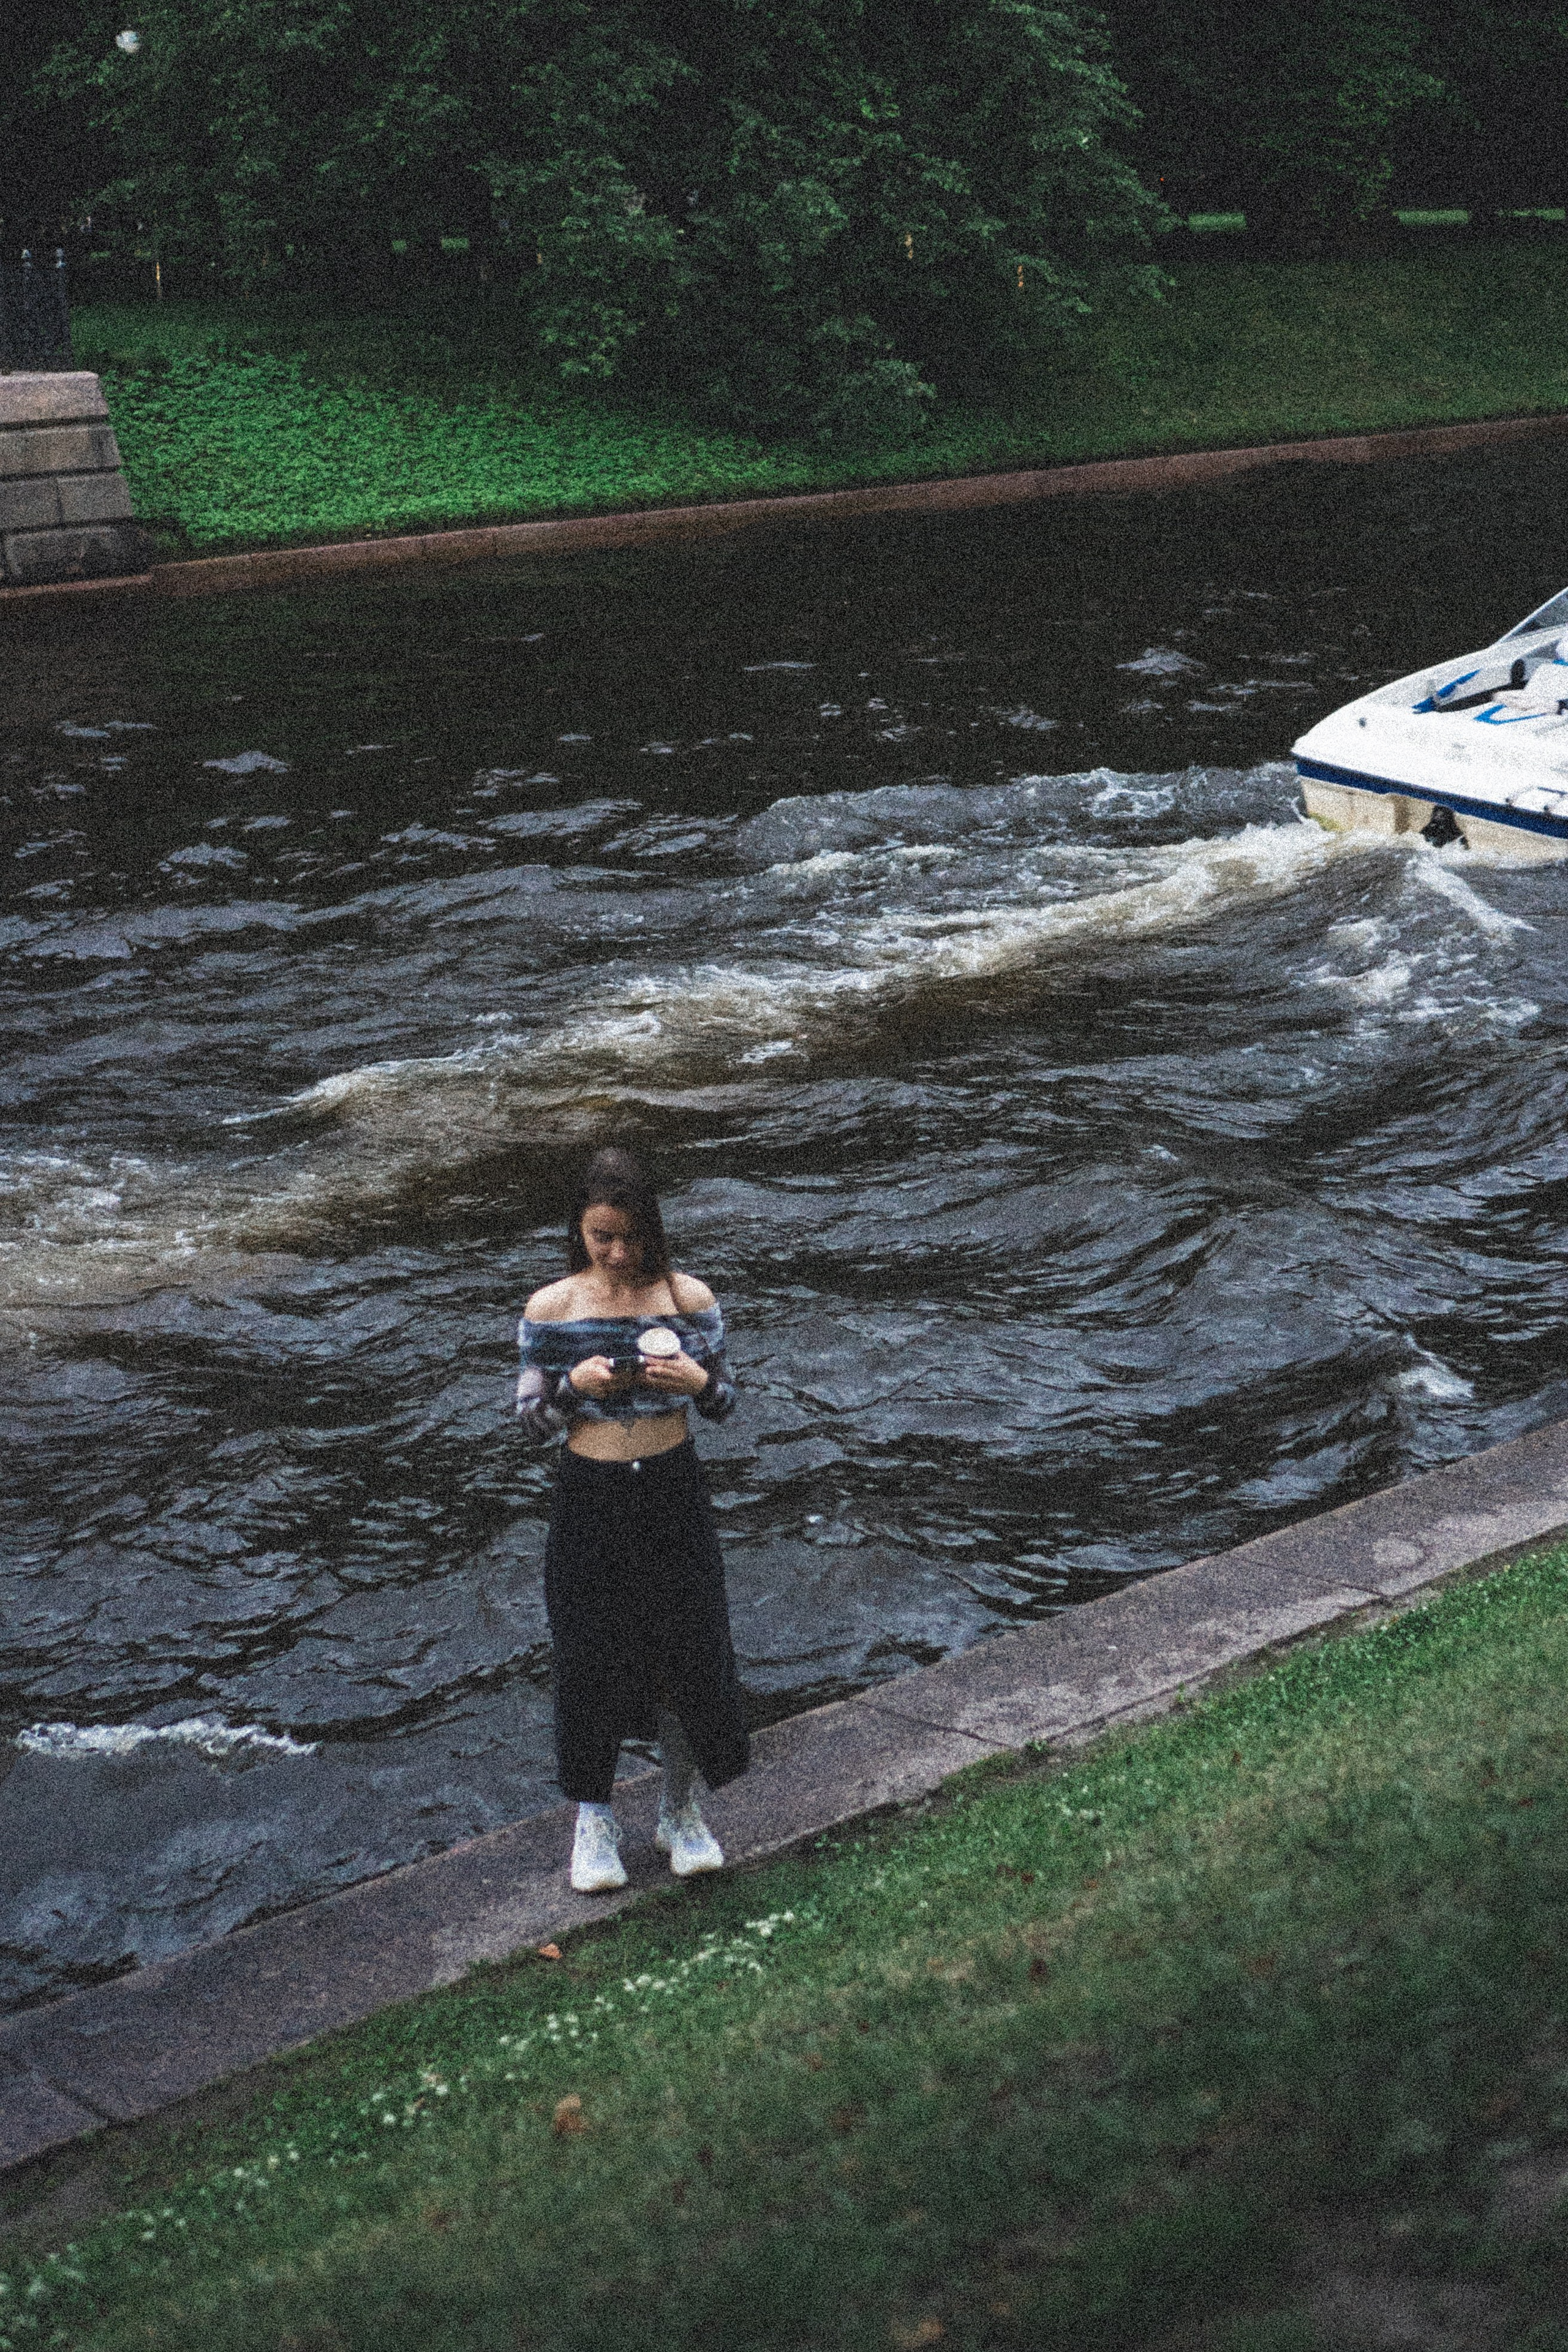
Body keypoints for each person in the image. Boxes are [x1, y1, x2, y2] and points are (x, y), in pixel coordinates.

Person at [516, 1146, 749, 1894]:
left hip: (672, 1490)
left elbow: (725, 1404)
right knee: (589, 1658)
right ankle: (594, 1821)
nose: (618, 1254)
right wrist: (574, 1390)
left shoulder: (688, 1300)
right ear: (580, 1233)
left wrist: (698, 1379)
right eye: (600, 1238)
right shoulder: (551, 1310)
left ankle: (680, 1809)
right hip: (591, 1494)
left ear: (652, 1228)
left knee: (688, 1649)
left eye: (631, 1237)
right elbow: (529, 1424)